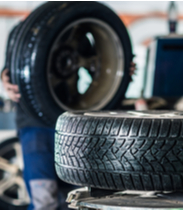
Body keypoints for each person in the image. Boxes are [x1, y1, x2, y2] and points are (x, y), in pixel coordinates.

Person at [1, 23, 136, 210]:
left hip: (72, 124)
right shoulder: (22, 31)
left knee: (79, 196)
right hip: (35, 123)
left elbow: (100, 66)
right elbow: (10, 69)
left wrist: (121, 72)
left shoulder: (75, 29)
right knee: (44, 200)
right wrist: (5, 80)